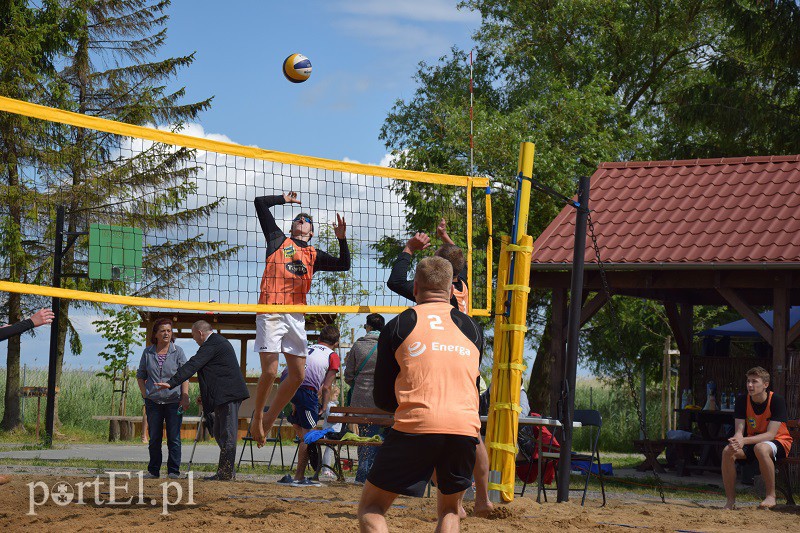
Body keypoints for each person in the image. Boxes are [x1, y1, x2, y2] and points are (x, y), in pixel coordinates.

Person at [359, 256, 483, 533]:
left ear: (415, 288)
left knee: (372, 508)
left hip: (416, 424)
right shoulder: (473, 329)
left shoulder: (398, 325)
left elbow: (382, 398)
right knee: (450, 511)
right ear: (452, 290)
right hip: (464, 427)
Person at [386, 218, 493, 517]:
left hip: (439, 364)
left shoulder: (433, 292)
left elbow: (395, 281)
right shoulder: (462, 284)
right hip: (467, 368)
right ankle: (482, 499)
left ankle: (454, 505)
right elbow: (458, 261)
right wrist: (446, 238)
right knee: (472, 435)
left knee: (437, 430)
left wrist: (408, 250)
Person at [251, 191, 350, 447]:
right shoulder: (277, 240)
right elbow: (260, 204)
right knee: (271, 371)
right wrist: (284, 199)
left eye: (307, 220)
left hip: (296, 315)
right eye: (298, 218)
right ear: (293, 226)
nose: (302, 220)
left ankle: (269, 418)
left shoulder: (314, 255)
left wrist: (342, 239)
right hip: (271, 310)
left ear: (312, 232)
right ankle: (256, 418)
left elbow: (344, 264)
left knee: (297, 375)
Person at [154, 320, 249, 481]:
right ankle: (226, 471)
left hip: (228, 396)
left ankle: (225, 474)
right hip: (222, 396)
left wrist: (171, 383)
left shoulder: (213, 343)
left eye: (193, 336)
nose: (194, 340)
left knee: (227, 434)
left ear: (200, 333)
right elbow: (215, 373)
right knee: (220, 433)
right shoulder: (215, 344)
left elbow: (193, 364)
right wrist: (205, 397)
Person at [721, 366, 793, 510]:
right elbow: (739, 430)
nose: (750, 385)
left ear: (765, 385)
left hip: (778, 441)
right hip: (752, 442)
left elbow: (771, 435)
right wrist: (736, 440)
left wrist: (744, 441)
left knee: (761, 447)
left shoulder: (777, 400)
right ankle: (730, 501)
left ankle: (771, 496)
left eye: (754, 382)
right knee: (727, 451)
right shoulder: (742, 400)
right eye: (748, 381)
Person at [278, 324, 341, 487]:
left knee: (302, 432)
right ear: (336, 342)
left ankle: (301, 473)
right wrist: (323, 406)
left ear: (319, 339)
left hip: (285, 383)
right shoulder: (332, 355)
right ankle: (299, 477)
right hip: (304, 389)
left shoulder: (308, 347)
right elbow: (326, 387)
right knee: (309, 435)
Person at [136, 318, 189, 479]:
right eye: (162, 331)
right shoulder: (148, 352)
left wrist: (184, 396)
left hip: (174, 401)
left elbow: (184, 376)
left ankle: (173, 471)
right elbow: (140, 376)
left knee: (174, 438)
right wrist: (146, 395)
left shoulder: (178, 351)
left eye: (169, 330)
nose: (166, 333)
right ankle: (153, 471)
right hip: (153, 402)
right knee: (155, 439)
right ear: (156, 334)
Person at [387, 218, 469, 313]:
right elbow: (458, 258)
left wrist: (410, 248)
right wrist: (443, 235)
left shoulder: (439, 291)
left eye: (435, 260)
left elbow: (396, 282)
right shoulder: (462, 285)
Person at [344, 312, 385, 485]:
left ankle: (362, 474)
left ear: (367, 327)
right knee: (376, 435)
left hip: (360, 397)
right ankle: (369, 475)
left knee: (365, 435)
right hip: (381, 398)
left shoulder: (358, 345)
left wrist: (358, 382)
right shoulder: (387, 345)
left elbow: (348, 375)